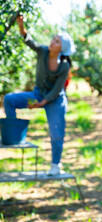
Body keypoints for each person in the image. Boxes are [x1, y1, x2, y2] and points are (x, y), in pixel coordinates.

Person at [3, 16, 76, 175]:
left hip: (55, 100)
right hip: (38, 94)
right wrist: (21, 25)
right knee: (9, 100)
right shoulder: (43, 51)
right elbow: (28, 40)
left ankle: (56, 164)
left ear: (61, 48)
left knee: (57, 133)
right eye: (53, 39)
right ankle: (14, 135)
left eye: (56, 42)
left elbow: (57, 89)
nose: (52, 42)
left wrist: (42, 103)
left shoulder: (64, 66)